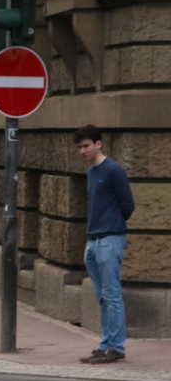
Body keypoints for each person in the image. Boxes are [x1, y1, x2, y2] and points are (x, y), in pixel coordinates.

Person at [74, 125, 135, 364]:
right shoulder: (91, 172)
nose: (82, 151)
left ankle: (117, 347)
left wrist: (113, 225)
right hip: (93, 241)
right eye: (79, 147)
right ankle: (106, 344)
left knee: (112, 295)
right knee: (102, 296)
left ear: (98, 144)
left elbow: (128, 205)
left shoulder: (113, 170)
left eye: (86, 146)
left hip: (110, 240)